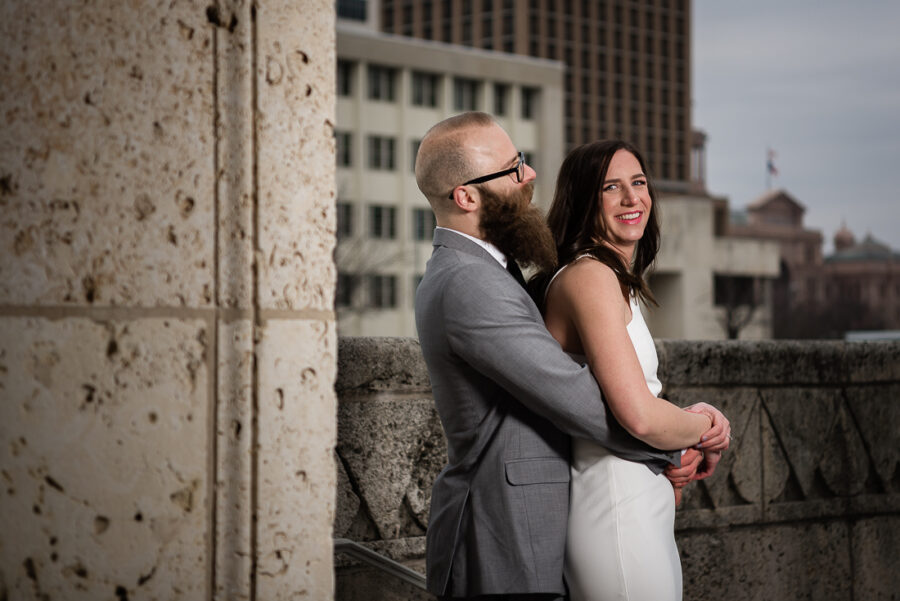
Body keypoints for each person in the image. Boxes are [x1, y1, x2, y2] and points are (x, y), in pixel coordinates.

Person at [413, 112, 729, 601]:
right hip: (499, 534)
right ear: (467, 196)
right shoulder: (468, 282)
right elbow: (583, 400)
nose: (531, 175)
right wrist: (689, 433)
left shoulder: (488, 270)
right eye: (513, 168)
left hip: (532, 525)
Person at [532, 139, 730, 601]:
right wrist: (705, 426)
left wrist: (680, 434)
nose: (632, 198)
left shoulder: (611, 279)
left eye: (638, 183)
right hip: (616, 509)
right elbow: (637, 416)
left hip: (636, 501)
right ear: (584, 200)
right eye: (611, 187)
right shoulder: (589, 277)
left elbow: (630, 398)